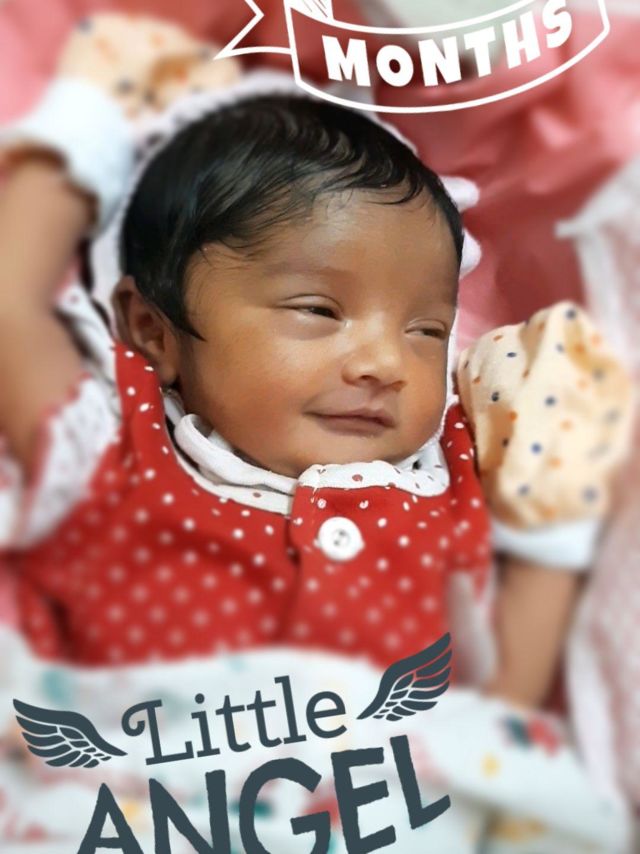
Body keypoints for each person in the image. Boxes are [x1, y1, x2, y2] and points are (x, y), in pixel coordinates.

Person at [0, 15, 631, 710]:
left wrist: (554, 514)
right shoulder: (115, 451)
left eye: (427, 330)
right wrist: (94, 109)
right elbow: (12, 304)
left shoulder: (460, 475)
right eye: (319, 311)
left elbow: (505, 708)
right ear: (155, 330)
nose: (386, 362)